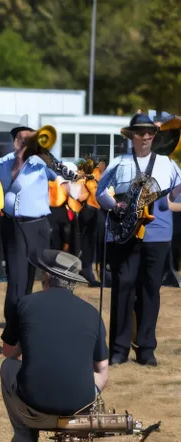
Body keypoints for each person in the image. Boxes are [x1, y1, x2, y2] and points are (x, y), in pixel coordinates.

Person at [1, 250, 109, 442]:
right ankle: (74, 433)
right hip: (79, 408)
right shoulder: (92, 313)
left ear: (47, 277)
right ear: (72, 282)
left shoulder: (25, 304)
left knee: (8, 367)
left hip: (33, 410)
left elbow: (8, 352)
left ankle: (24, 441)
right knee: (98, 374)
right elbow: (102, 368)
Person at [96, 113, 181, 366]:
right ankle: (119, 349)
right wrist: (116, 205)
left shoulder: (167, 163)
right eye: (140, 132)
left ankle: (146, 348)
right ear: (131, 136)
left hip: (158, 234)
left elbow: (177, 191)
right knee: (123, 286)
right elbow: (101, 191)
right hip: (125, 233)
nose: (145, 137)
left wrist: (169, 202)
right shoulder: (119, 162)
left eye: (149, 133)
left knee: (150, 289)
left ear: (154, 136)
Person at [0, 126, 58, 329]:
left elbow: (57, 174)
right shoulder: (5, 162)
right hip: (15, 225)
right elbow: (6, 184)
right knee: (17, 277)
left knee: (39, 276)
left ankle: (33, 321)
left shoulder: (41, 161)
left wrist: (44, 154)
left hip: (38, 224)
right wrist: (21, 159)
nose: (31, 142)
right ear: (16, 142)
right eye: (26, 139)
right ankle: (13, 325)